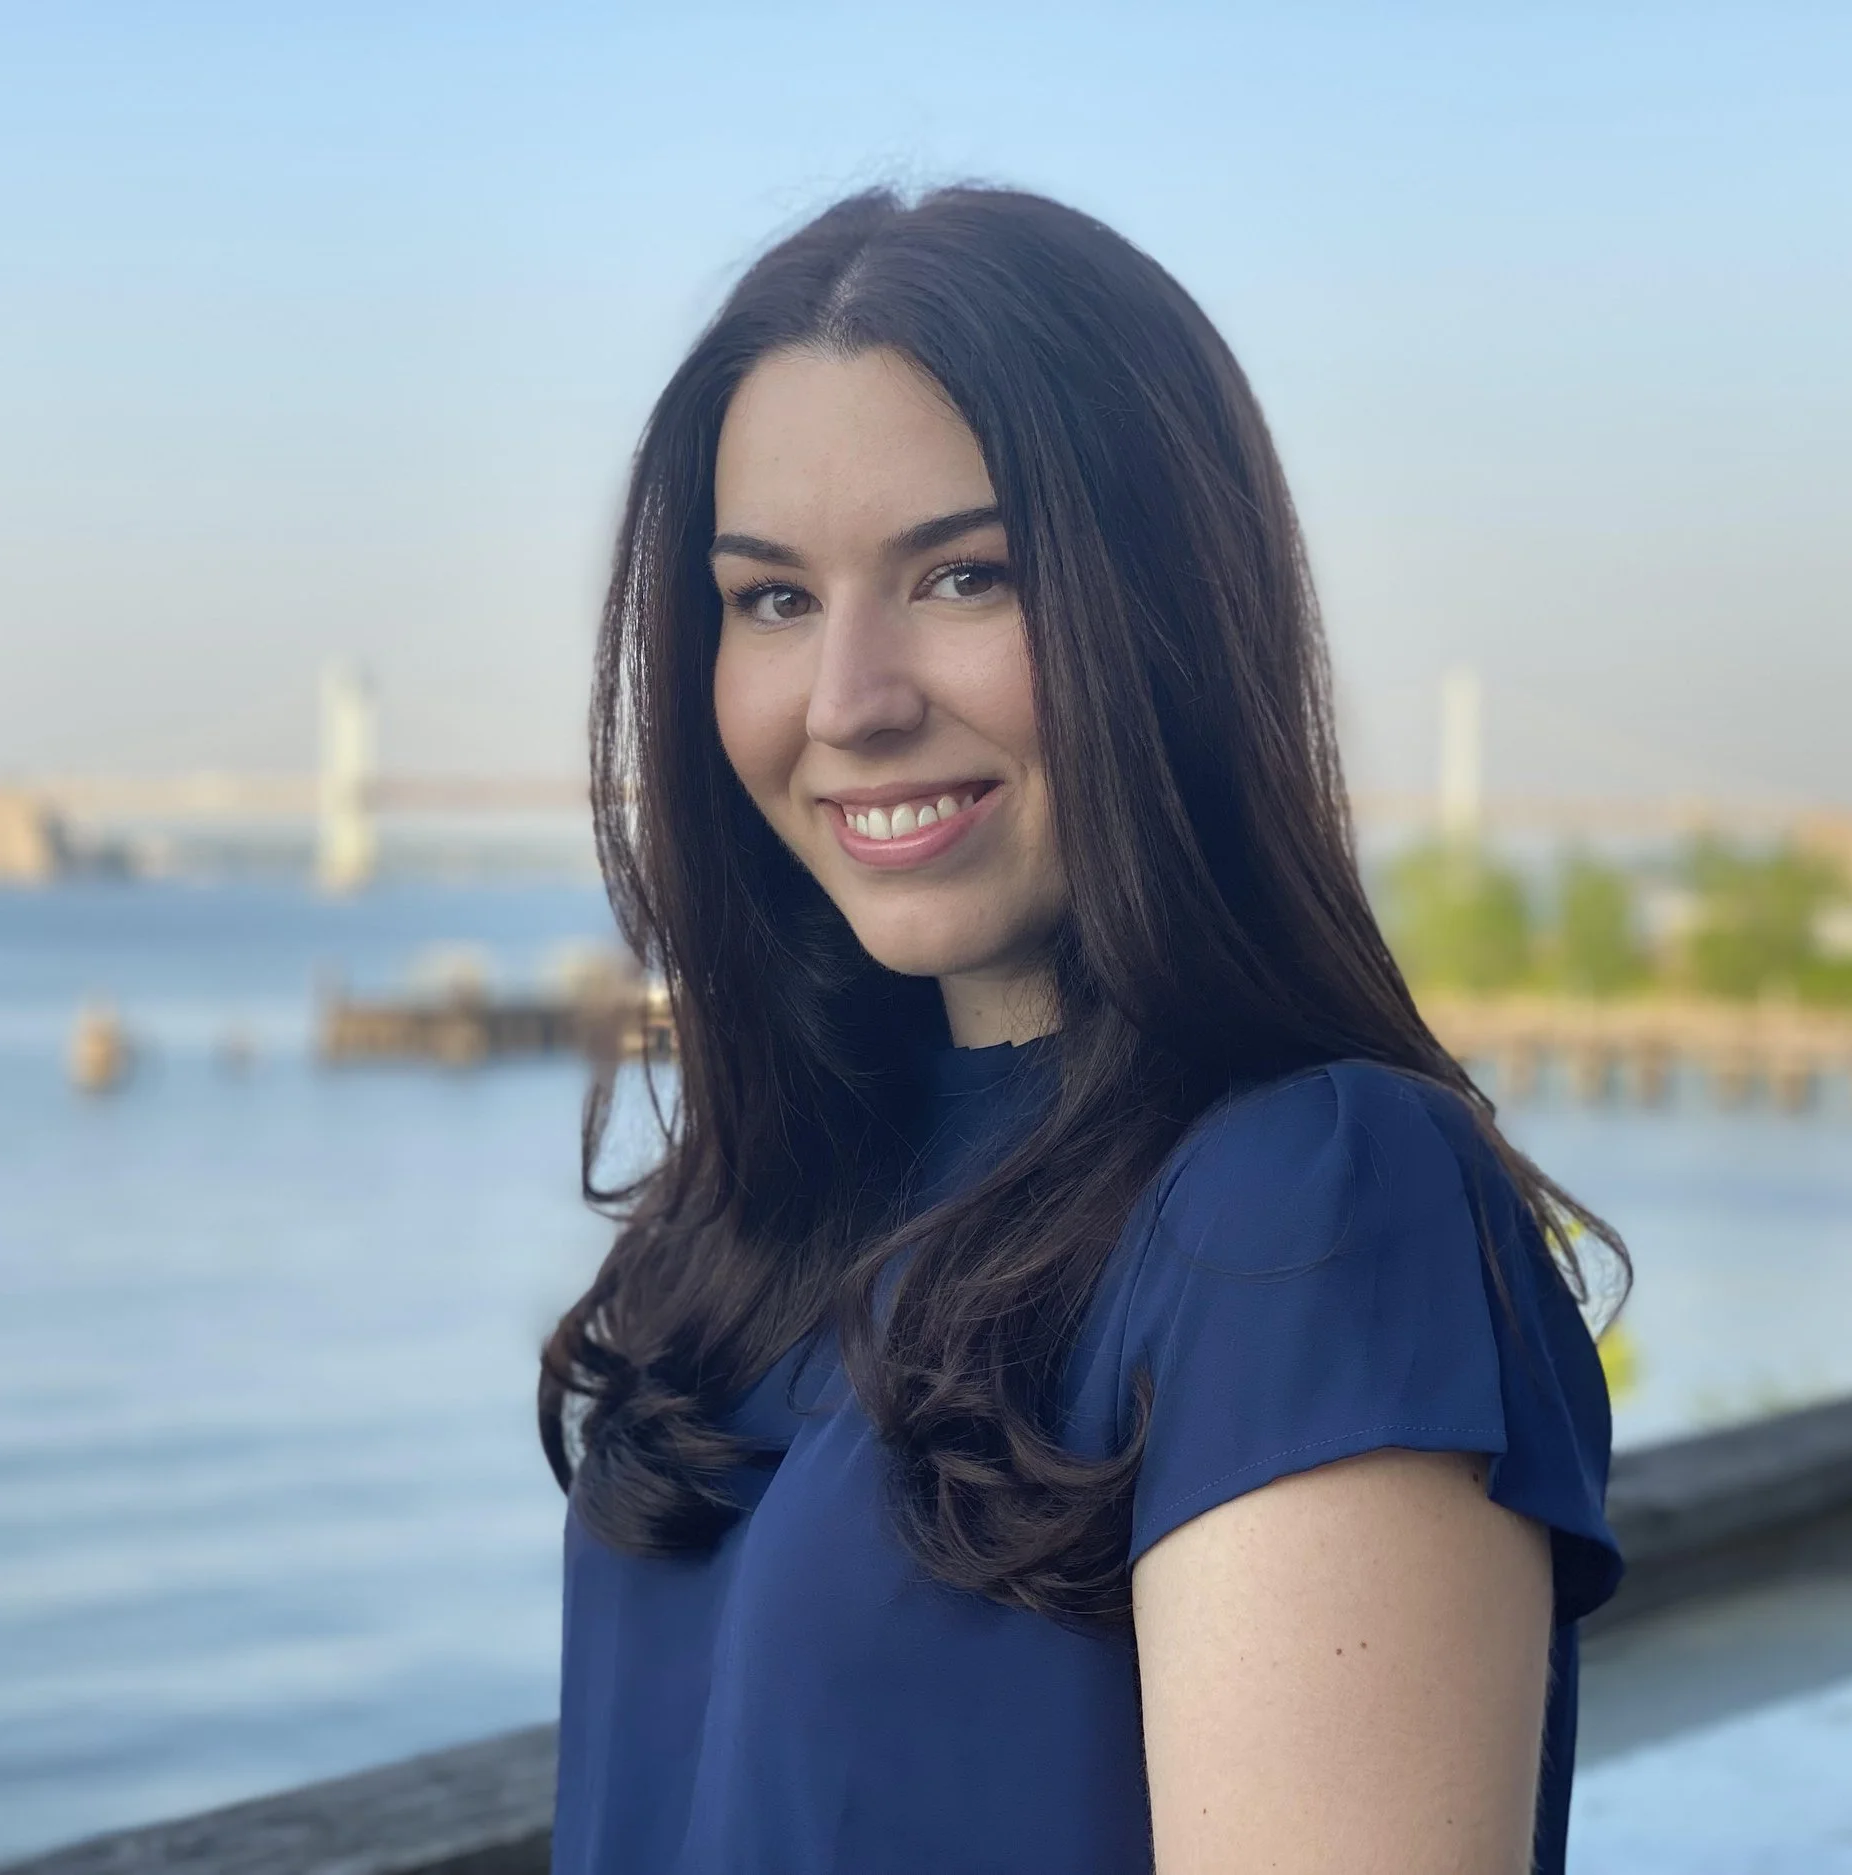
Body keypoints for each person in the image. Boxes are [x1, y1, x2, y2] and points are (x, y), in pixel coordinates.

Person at [539, 185, 1623, 1875]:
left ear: (1168, 610)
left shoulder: (1308, 1215)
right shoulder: (755, 1215)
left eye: (964, 575)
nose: (851, 701)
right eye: (771, 599)